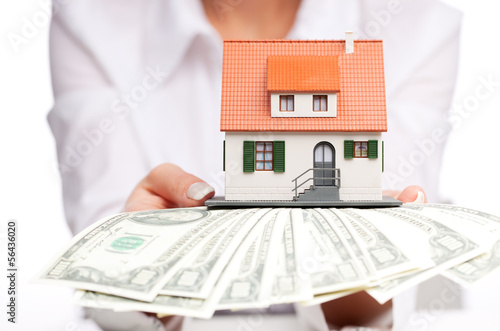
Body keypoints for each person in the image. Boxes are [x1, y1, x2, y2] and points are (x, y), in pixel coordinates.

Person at [48, 0, 461, 329]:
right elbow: (103, 272)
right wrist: (135, 263)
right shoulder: (89, 21)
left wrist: (357, 261)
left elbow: (380, 299)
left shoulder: (418, 27)